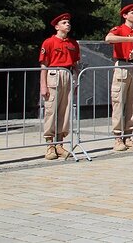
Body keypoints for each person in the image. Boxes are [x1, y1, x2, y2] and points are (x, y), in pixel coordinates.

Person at [104, 3, 133, 151]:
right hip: (122, 66)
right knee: (118, 101)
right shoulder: (119, 29)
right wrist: (130, 40)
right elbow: (108, 38)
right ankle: (117, 137)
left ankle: (128, 135)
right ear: (125, 15)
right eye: (132, 13)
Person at [39, 13, 80, 160]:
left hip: (68, 75)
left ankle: (60, 143)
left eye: (68, 22)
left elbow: (75, 64)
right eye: (64, 22)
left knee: (66, 110)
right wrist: (43, 86)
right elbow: (44, 65)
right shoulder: (49, 42)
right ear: (57, 27)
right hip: (54, 75)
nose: (67, 24)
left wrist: (76, 80)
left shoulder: (73, 44)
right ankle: (50, 144)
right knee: (51, 110)